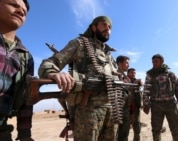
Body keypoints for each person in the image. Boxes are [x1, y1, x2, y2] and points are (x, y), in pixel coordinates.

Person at [38, 16, 122, 141]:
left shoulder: (109, 54)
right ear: (94, 27)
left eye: (110, 27)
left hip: (112, 108)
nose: (108, 29)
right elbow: (51, 62)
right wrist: (52, 72)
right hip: (88, 109)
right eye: (104, 25)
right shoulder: (81, 44)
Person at [0, 0, 34, 141]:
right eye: (13, 5)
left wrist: (25, 135)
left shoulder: (25, 56)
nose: (21, 11)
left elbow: (26, 99)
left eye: (24, 11)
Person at [143, 54, 178, 141]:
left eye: (156, 61)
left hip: (170, 104)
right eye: (153, 62)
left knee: (176, 129)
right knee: (156, 130)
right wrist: (146, 104)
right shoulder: (150, 75)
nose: (154, 63)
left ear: (162, 62)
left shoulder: (170, 74)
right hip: (156, 105)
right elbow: (146, 90)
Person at [116, 55, 134, 141]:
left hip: (125, 110)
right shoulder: (113, 75)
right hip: (115, 111)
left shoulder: (127, 79)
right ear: (119, 63)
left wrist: (131, 112)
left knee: (124, 135)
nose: (128, 65)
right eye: (126, 63)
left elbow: (129, 96)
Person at [127, 68, 143, 141]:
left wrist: (139, 82)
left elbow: (142, 86)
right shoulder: (125, 79)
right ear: (128, 73)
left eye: (134, 73)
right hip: (126, 107)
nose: (133, 74)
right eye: (132, 72)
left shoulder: (136, 81)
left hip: (136, 107)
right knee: (125, 128)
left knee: (137, 128)